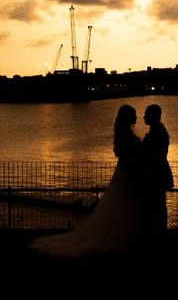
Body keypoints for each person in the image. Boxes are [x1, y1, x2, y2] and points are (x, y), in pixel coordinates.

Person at [29, 105, 145, 257]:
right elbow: (126, 156)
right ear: (127, 117)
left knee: (121, 205)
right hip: (127, 174)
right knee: (124, 204)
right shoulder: (127, 136)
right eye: (134, 115)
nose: (136, 117)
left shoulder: (124, 134)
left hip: (124, 174)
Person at [140, 104, 174, 237]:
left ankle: (158, 232)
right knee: (158, 203)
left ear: (152, 116)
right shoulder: (159, 130)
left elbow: (155, 155)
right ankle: (158, 231)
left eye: (146, 114)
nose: (143, 117)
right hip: (158, 172)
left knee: (157, 204)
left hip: (156, 173)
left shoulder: (157, 132)